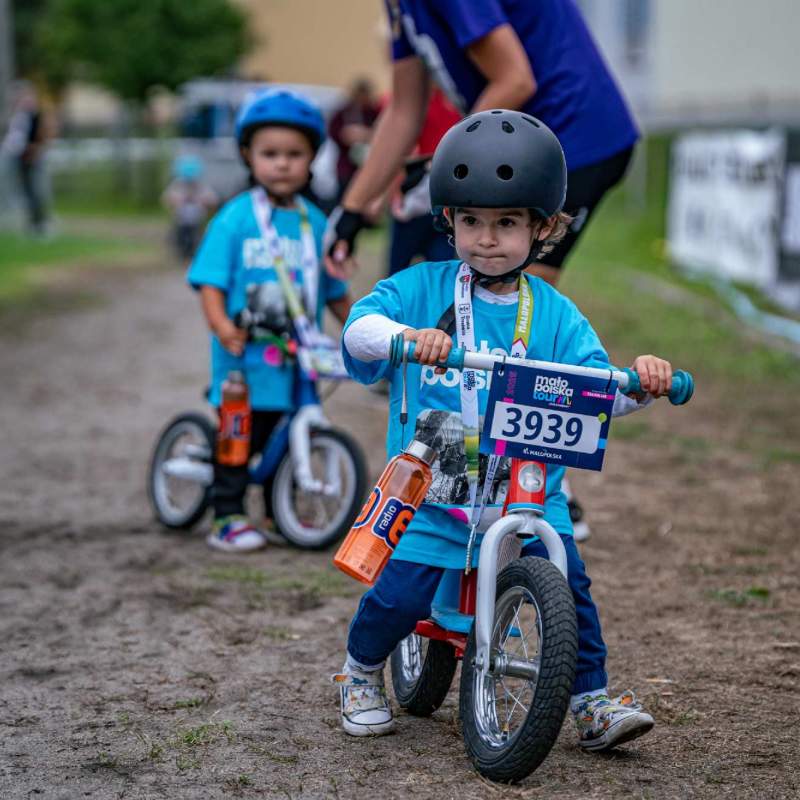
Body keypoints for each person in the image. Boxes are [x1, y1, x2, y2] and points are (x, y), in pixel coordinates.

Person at [332, 111, 673, 751]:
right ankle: (360, 671)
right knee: (399, 595)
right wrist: (408, 339)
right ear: (449, 221)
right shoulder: (421, 288)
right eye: (471, 222)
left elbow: (596, 395)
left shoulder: (555, 315)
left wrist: (643, 384)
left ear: (544, 228)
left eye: (508, 223)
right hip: (436, 493)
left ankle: (591, 700)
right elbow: (357, 332)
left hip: (526, 491)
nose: (487, 239)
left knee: (570, 584)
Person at [326, 0, 641, 539]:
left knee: (516, 302)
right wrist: (353, 210)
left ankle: (536, 483)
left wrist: (448, 160)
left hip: (576, 135)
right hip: (516, 137)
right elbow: (403, 112)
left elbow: (515, 78)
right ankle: (499, 476)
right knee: (478, 296)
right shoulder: (402, 10)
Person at [187, 89, 352, 552]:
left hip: (298, 361)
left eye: (294, 154)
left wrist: (361, 330)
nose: (282, 164)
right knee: (239, 438)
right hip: (244, 362)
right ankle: (228, 514)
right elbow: (210, 282)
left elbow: (335, 292)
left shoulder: (316, 224)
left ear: (312, 158)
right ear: (248, 155)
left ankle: (284, 511)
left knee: (292, 434)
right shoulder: (234, 219)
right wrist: (221, 326)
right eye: (270, 154)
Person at [1, 81, 50, 236]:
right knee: (26, 191)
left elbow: (42, 135)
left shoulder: (37, 115)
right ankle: (31, 222)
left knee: (36, 190)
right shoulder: (18, 116)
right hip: (20, 158)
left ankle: (40, 223)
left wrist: (34, 150)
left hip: (32, 158)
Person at [328, 78, 381, 204]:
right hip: (346, 165)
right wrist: (345, 135)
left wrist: (367, 135)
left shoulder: (373, 112)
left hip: (368, 163)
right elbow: (334, 132)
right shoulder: (344, 112)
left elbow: (384, 132)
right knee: (344, 195)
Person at [162, 154, 218, 261]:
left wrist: (202, 201)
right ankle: (182, 253)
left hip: (196, 218)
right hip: (181, 218)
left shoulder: (201, 186)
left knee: (196, 237)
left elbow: (212, 199)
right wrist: (178, 201)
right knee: (180, 236)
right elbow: (167, 198)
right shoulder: (177, 184)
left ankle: (193, 253)